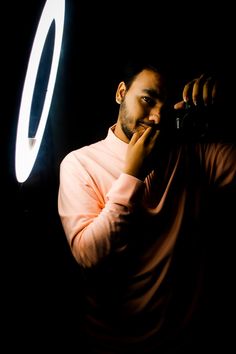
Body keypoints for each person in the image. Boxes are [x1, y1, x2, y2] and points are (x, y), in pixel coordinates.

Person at [57, 59, 236, 353]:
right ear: (120, 93)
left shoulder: (193, 155)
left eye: (164, 108)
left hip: (185, 339)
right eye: (147, 99)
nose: (155, 117)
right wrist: (132, 175)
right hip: (108, 343)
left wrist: (228, 106)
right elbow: (88, 255)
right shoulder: (80, 164)